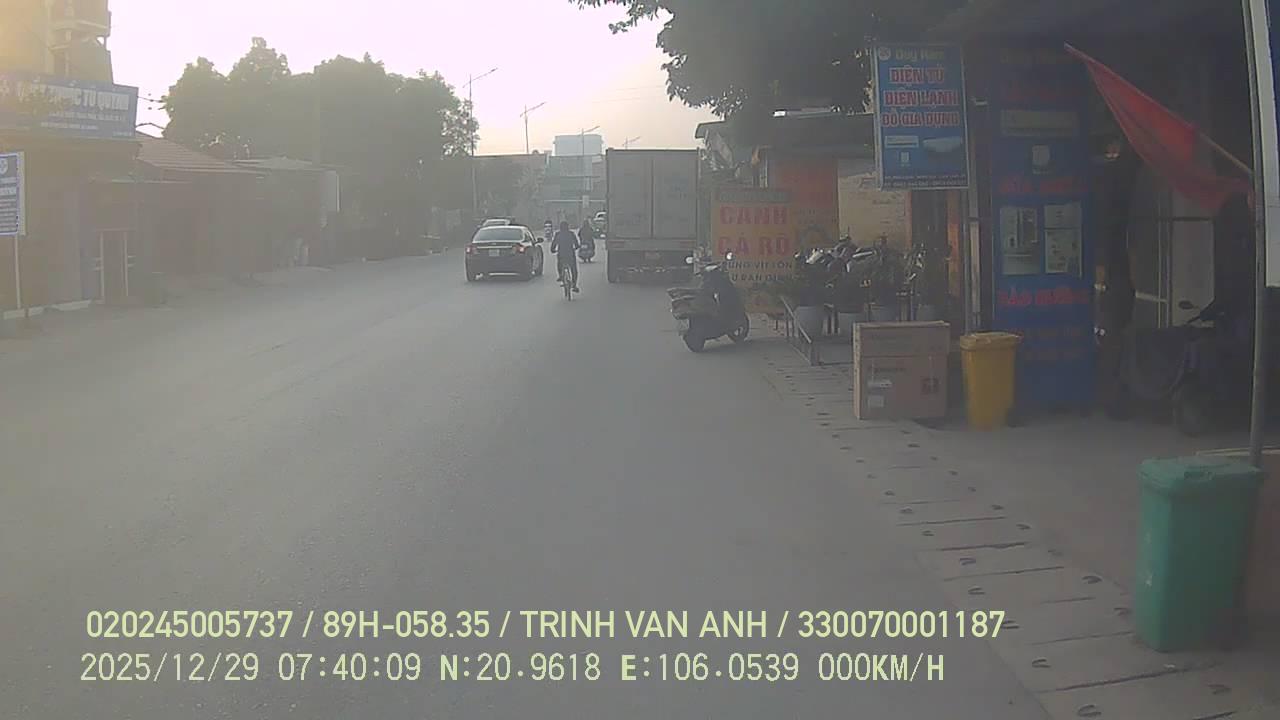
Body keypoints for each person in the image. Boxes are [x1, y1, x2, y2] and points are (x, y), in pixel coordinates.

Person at [549, 221, 580, 292]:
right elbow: (576, 244)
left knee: (559, 264)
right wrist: (576, 247)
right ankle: (574, 285)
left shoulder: (558, 234)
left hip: (561, 254)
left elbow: (554, 244)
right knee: (574, 269)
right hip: (570, 254)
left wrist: (553, 250)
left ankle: (560, 276)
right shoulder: (571, 234)